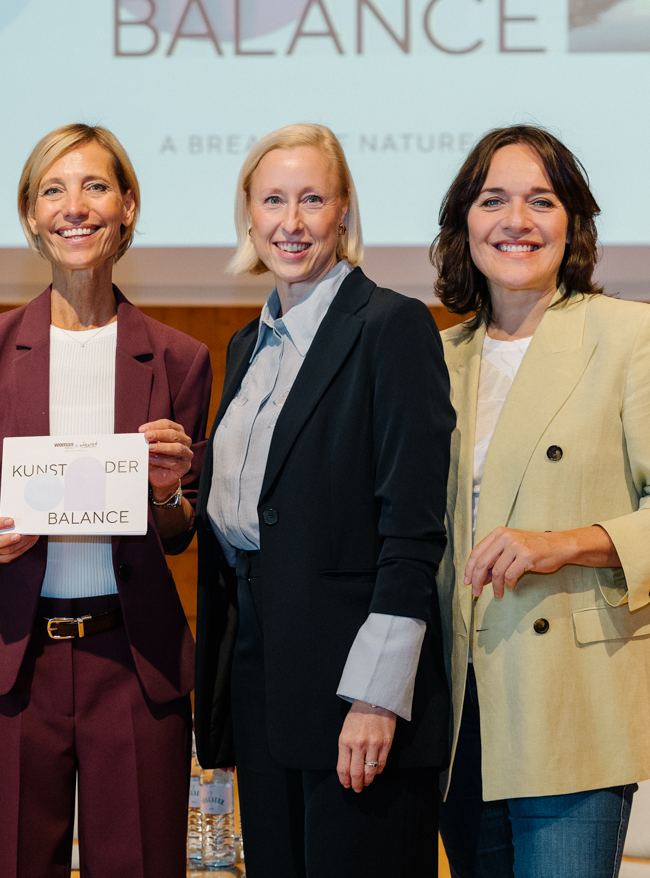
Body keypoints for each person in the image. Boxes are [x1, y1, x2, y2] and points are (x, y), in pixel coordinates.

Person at [430, 126, 650, 878]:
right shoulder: (438, 358)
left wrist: (562, 543)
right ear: (464, 223)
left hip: (574, 702)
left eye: (542, 201)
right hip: (460, 712)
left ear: (573, 224)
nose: (517, 221)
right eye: (493, 200)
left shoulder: (634, 336)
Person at [0, 124, 212, 878]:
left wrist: (168, 491)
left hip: (136, 660)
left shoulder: (180, 359)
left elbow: (180, 529)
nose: (74, 207)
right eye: (52, 190)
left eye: (95, 187)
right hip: (12, 660)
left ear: (128, 205)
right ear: (31, 213)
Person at [193, 124, 455, 876]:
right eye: (273, 200)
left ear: (344, 212)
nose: (292, 221)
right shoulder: (246, 346)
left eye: (312, 199)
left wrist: (376, 698)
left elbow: (413, 529)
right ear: (249, 216)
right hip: (261, 687)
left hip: (354, 695)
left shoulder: (392, 327)